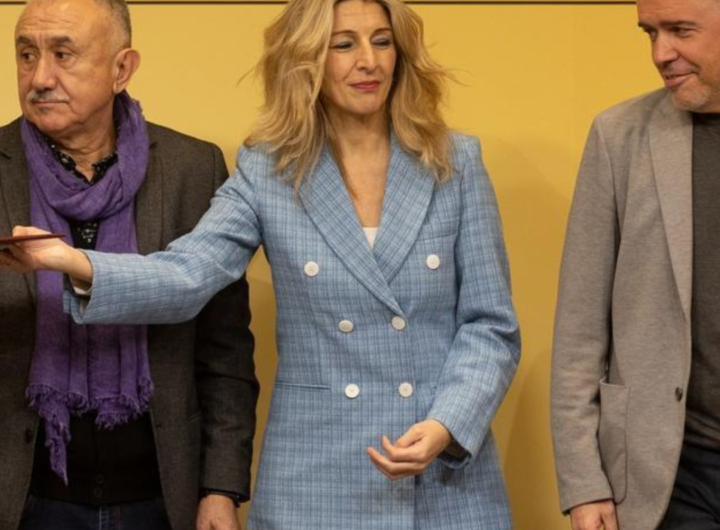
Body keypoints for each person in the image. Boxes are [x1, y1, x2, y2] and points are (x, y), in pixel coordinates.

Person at [0, 0, 520, 528]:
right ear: (306, 59)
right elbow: (188, 274)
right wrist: (73, 262)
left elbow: (491, 326)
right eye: (343, 44)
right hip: (316, 476)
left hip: (442, 474)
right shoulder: (268, 171)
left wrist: (447, 423)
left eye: (382, 41)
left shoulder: (456, 162)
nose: (369, 61)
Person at [0, 0, 257, 529]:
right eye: (26, 54)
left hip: (163, 494)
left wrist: (220, 489)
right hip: (22, 497)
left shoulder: (193, 167)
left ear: (122, 68)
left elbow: (225, 350)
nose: (39, 76)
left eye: (63, 54)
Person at [551, 0, 720, 529]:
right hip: (668, 480)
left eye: (680, 31)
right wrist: (583, 481)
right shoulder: (618, 136)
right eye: (650, 33)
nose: (660, 53)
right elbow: (579, 328)